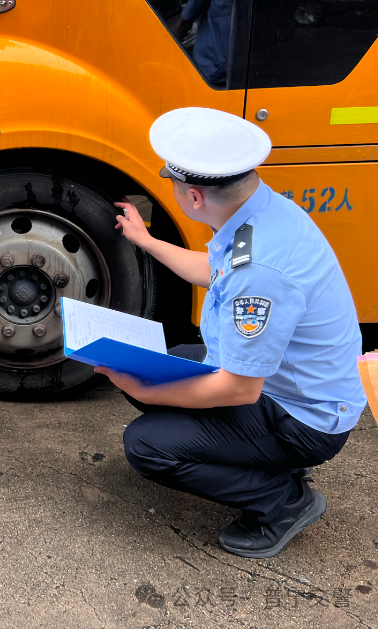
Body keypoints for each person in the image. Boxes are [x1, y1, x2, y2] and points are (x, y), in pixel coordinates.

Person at [102, 107, 366, 559]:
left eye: (171, 181)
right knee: (165, 360)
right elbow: (216, 270)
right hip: (292, 388)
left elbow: (241, 389)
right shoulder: (262, 211)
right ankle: (257, 461)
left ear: (195, 198)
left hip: (303, 420)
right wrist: (146, 241)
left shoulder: (260, 271)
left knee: (145, 442)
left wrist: (146, 386)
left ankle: (283, 502)